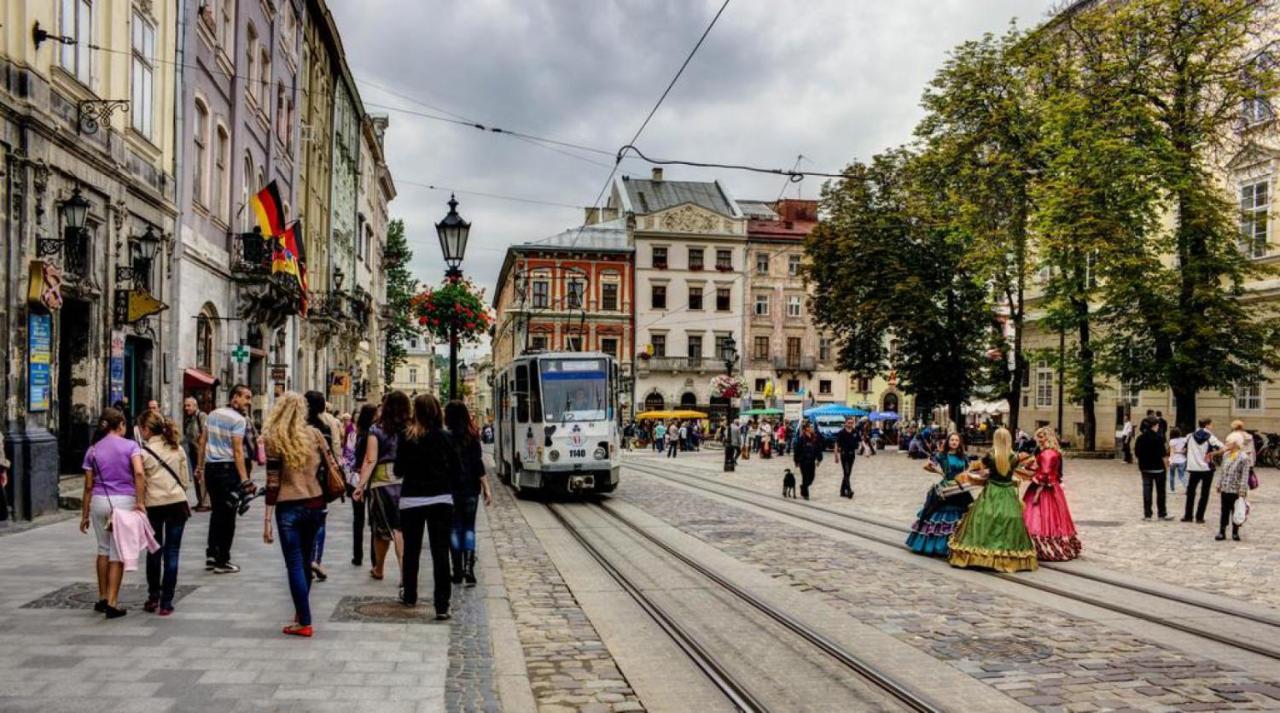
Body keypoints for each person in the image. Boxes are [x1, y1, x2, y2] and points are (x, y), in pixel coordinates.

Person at [261, 392, 332, 638]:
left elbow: (272, 482)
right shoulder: (314, 435)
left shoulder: (274, 438)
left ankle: (305, 620)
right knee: (305, 561)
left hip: (288, 505)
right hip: (315, 503)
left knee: (294, 563)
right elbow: (330, 465)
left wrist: (267, 519)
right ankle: (301, 613)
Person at [396, 394, 463, 618]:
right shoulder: (447, 437)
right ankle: (442, 604)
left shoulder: (406, 436)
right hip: (441, 499)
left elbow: (398, 470)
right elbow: (457, 470)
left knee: (411, 551)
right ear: (437, 411)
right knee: (440, 552)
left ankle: (410, 595)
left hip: (411, 499)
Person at [80, 407, 147, 619]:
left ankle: (101, 596)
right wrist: (141, 501)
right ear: (120, 425)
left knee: (102, 549)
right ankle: (112, 601)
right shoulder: (131, 446)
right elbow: (138, 472)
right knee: (118, 552)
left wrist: (84, 515)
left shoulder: (92, 450)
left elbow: (88, 486)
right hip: (124, 501)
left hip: (100, 500)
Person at [948, 428, 1038, 572]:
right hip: (1007, 492)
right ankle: (1010, 556)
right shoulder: (1014, 457)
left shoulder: (990, 455)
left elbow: (979, 469)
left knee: (984, 519)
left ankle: (979, 555)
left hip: (992, 491)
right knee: (1010, 519)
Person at [136, 411, 191, 616]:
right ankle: (167, 602)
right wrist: (176, 491)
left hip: (154, 506)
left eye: (142, 429)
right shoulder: (178, 449)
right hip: (177, 504)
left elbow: (140, 480)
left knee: (154, 551)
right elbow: (185, 480)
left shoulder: (144, 453)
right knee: (172, 552)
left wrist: (141, 501)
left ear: (147, 429)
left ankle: (153, 597)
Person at [353, 391, 410, 581]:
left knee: (381, 530)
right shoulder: (410, 429)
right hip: (406, 482)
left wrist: (360, 485)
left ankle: (379, 568)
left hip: (381, 483)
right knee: (401, 529)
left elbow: (370, 460)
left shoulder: (376, 430)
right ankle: (404, 572)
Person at [198, 385, 255, 574]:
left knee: (216, 512)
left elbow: (202, 441)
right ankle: (223, 559)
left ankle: (211, 554)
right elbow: (238, 450)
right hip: (227, 469)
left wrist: (199, 467)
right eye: (246, 397)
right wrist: (245, 479)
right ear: (234, 397)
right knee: (229, 515)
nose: (248, 402)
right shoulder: (239, 420)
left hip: (211, 469)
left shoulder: (212, 414)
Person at [445, 401, 493, 586]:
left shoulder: (446, 437)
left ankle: (457, 571)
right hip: (471, 488)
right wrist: (486, 488)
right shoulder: (473, 436)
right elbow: (478, 464)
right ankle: (469, 568)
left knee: (455, 529)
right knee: (469, 528)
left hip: (451, 490)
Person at [906, 433, 975, 558]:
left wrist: (966, 476)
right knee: (942, 513)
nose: (954, 442)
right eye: (952, 440)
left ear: (960, 443)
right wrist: (940, 473)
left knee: (965, 512)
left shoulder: (964, 456)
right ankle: (939, 545)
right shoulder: (942, 455)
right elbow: (927, 465)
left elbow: (969, 469)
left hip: (960, 488)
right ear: (948, 442)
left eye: (956, 440)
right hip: (947, 487)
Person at [1022, 427, 1081, 561]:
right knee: (1056, 517)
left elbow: (1045, 474)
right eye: (1038, 437)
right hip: (1054, 488)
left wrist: (1032, 481)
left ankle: (1043, 546)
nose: (1039, 440)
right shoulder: (1053, 452)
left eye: (1041, 437)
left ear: (1048, 438)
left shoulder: (1047, 454)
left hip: (1045, 490)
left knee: (1042, 516)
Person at [304, 392, 340, 582]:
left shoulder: (297, 427)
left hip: (299, 482)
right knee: (319, 520)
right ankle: (316, 559)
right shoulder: (324, 427)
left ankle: (305, 559)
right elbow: (331, 453)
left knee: (301, 522)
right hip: (320, 480)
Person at [349, 404, 377, 567]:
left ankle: (357, 555)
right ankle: (375, 558)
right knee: (373, 520)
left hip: (357, 478)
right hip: (370, 479)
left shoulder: (359, 434)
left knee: (357, 520)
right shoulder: (372, 435)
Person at [1183, 418, 1223, 524]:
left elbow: (1183, 448)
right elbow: (1222, 447)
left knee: (1191, 492)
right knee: (1204, 493)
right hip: (1206, 468)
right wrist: (1213, 454)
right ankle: (1199, 517)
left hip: (1193, 467)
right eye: (1211, 425)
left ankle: (1188, 515)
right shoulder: (1210, 437)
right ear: (1206, 426)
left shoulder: (1190, 436)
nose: (1212, 427)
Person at [1216, 431, 1251, 542]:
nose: (1226, 443)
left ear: (1236, 443)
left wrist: (1242, 489)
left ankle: (1235, 532)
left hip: (1235, 489)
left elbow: (1245, 475)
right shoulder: (1226, 455)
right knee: (1224, 510)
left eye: (1228, 442)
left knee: (1236, 510)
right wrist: (1219, 483)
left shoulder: (1243, 457)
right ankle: (1222, 531)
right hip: (1225, 487)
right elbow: (1222, 471)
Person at [1135, 418, 1172, 521]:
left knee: (1147, 491)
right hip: (1159, 468)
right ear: (1154, 426)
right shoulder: (1159, 438)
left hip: (1145, 468)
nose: (1158, 428)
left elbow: (1137, 453)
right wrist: (1166, 466)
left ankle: (1147, 515)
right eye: (1157, 426)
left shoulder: (1140, 438)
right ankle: (1162, 513)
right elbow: (1163, 455)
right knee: (1161, 492)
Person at [182, 397, 211, 511]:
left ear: (195, 405)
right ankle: (200, 500)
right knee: (196, 476)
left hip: (202, 451)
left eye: (188, 405)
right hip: (193, 451)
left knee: (202, 476)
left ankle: (206, 502)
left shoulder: (201, 416)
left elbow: (205, 433)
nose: (186, 408)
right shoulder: (189, 419)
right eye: (185, 405)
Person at [792, 422, 824, 500]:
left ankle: (803, 487)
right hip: (803, 461)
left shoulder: (814, 438)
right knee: (805, 477)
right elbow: (797, 450)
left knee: (811, 477)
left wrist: (819, 459)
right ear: (806, 428)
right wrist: (796, 461)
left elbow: (818, 449)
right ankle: (806, 494)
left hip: (812, 461)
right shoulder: (801, 438)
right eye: (811, 427)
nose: (812, 428)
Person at [834, 416, 860, 499]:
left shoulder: (855, 432)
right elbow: (836, 444)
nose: (850, 424)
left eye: (852, 423)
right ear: (845, 423)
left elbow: (860, 440)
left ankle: (842, 491)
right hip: (844, 454)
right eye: (849, 423)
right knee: (846, 472)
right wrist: (836, 455)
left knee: (848, 473)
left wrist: (866, 449)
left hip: (852, 455)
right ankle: (849, 490)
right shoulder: (841, 432)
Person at [1168, 427, 1188, 494]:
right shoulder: (1184, 440)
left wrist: (1170, 460)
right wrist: (1184, 450)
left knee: (1171, 475)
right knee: (1182, 475)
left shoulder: (1172, 441)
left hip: (1174, 459)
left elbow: (1172, 452)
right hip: (1182, 459)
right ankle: (1187, 487)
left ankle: (1172, 490)